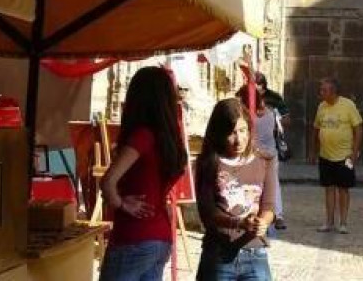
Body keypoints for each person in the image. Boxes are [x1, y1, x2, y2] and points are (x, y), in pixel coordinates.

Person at [99, 67, 189, 281]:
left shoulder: (142, 137)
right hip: (160, 236)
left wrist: (121, 203)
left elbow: (108, 182)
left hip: (133, 235)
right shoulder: (169, 140)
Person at [194, 99, 278, 280]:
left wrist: (263, 222)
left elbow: (269, 205)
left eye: (242, 130)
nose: (239, 140)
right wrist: (238, 223)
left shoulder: (264, 161)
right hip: (219, 254)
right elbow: (207, 211)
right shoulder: (208, 163)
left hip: (255, 254)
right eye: (231, 133)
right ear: (219, 133)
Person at [310, 77, 363, 234]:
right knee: (329, 188)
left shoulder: (348, 105)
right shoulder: (321, 106)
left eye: (323, 90)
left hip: (345, 156)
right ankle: (329, 222)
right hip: (325, 155)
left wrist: (354, 152)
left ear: (332, 91)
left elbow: (358, 128)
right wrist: (313, 150)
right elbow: (316, 129)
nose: (321, 93)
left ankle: (343, 222)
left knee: (343, 189)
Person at [241, 80, 287, 232]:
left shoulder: (249, 116)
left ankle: (257, 213)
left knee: (254, 184)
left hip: (257, 154)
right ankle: (277, 214)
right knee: (273, 185)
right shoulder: (271, 112)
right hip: (271, 152)